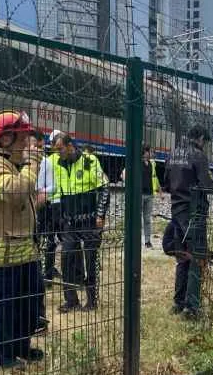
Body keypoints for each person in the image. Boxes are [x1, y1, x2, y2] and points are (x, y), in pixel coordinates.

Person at [0, 110, 44, 370]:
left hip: (22, 249)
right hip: (2, 253)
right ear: (5, 139)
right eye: (22, 137)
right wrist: (32, 165)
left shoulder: (11, 162)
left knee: (29, 302)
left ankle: (21, 347)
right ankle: (2, 357)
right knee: (5, 306)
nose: (27, 142)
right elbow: (14, 194)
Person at [52, 133, 110, 313]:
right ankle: (71, 300)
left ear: (70, 145)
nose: (58, 153)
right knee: (67, 258)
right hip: (70, 222)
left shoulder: (89, 161)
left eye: (60, 149)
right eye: (56, 150)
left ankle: (92, 300)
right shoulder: (59, 164)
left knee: (91, 259)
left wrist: (100, 215)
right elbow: (58, 193)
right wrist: (60, 218)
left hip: (90, 220)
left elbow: (105, 188)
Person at [163, 125, 213, 319]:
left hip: (177, 212)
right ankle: (191, 308)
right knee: (196, 258)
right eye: (205, 142)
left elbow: (166, 184)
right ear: (200, 138)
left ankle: (178, 302)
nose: (205, 145)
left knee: (181, 257)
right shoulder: (198, 156)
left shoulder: (173, 154)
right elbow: (207, 185)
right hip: (194, 213)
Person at [36, 130, 64, 287]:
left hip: (48, 204)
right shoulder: (56, 159)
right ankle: (44, 273)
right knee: (46, 240)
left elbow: (53, 185)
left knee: (47, 240)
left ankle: (47, 273)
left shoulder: (48, 160)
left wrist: (43, 193)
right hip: (50, 204)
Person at [121, 144, 161, 249]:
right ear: (145, 152)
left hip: (149, 195)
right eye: (150, 151)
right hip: (139, 195)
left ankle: (147, 241)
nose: (151, 154)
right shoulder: (137, 163)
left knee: (147, 219)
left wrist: (158, 191)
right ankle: (135, 240)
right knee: (137, 219)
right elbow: (124, 174)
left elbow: (153, 178)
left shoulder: (151, 164)